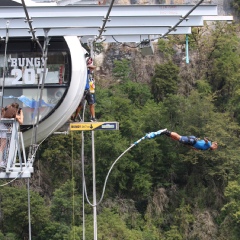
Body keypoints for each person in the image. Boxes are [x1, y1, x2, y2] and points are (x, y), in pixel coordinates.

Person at [71, 57, 97, 122]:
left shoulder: (87, 71)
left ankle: (93, 117)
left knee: (92, 103)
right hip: (82, 90)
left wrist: (87, 65)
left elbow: (93, 67)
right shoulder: (80, 71)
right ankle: (75, 117)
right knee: (80, 105)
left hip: (87, 90)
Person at [0, 103, 24, 168]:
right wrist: (21, 113)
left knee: (4, 146)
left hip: (2, 128)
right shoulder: (13, 113)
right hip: (5, 130)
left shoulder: (6, 110)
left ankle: (2, 161)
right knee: (2, 147)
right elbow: (21, 121)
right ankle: (1, 162)